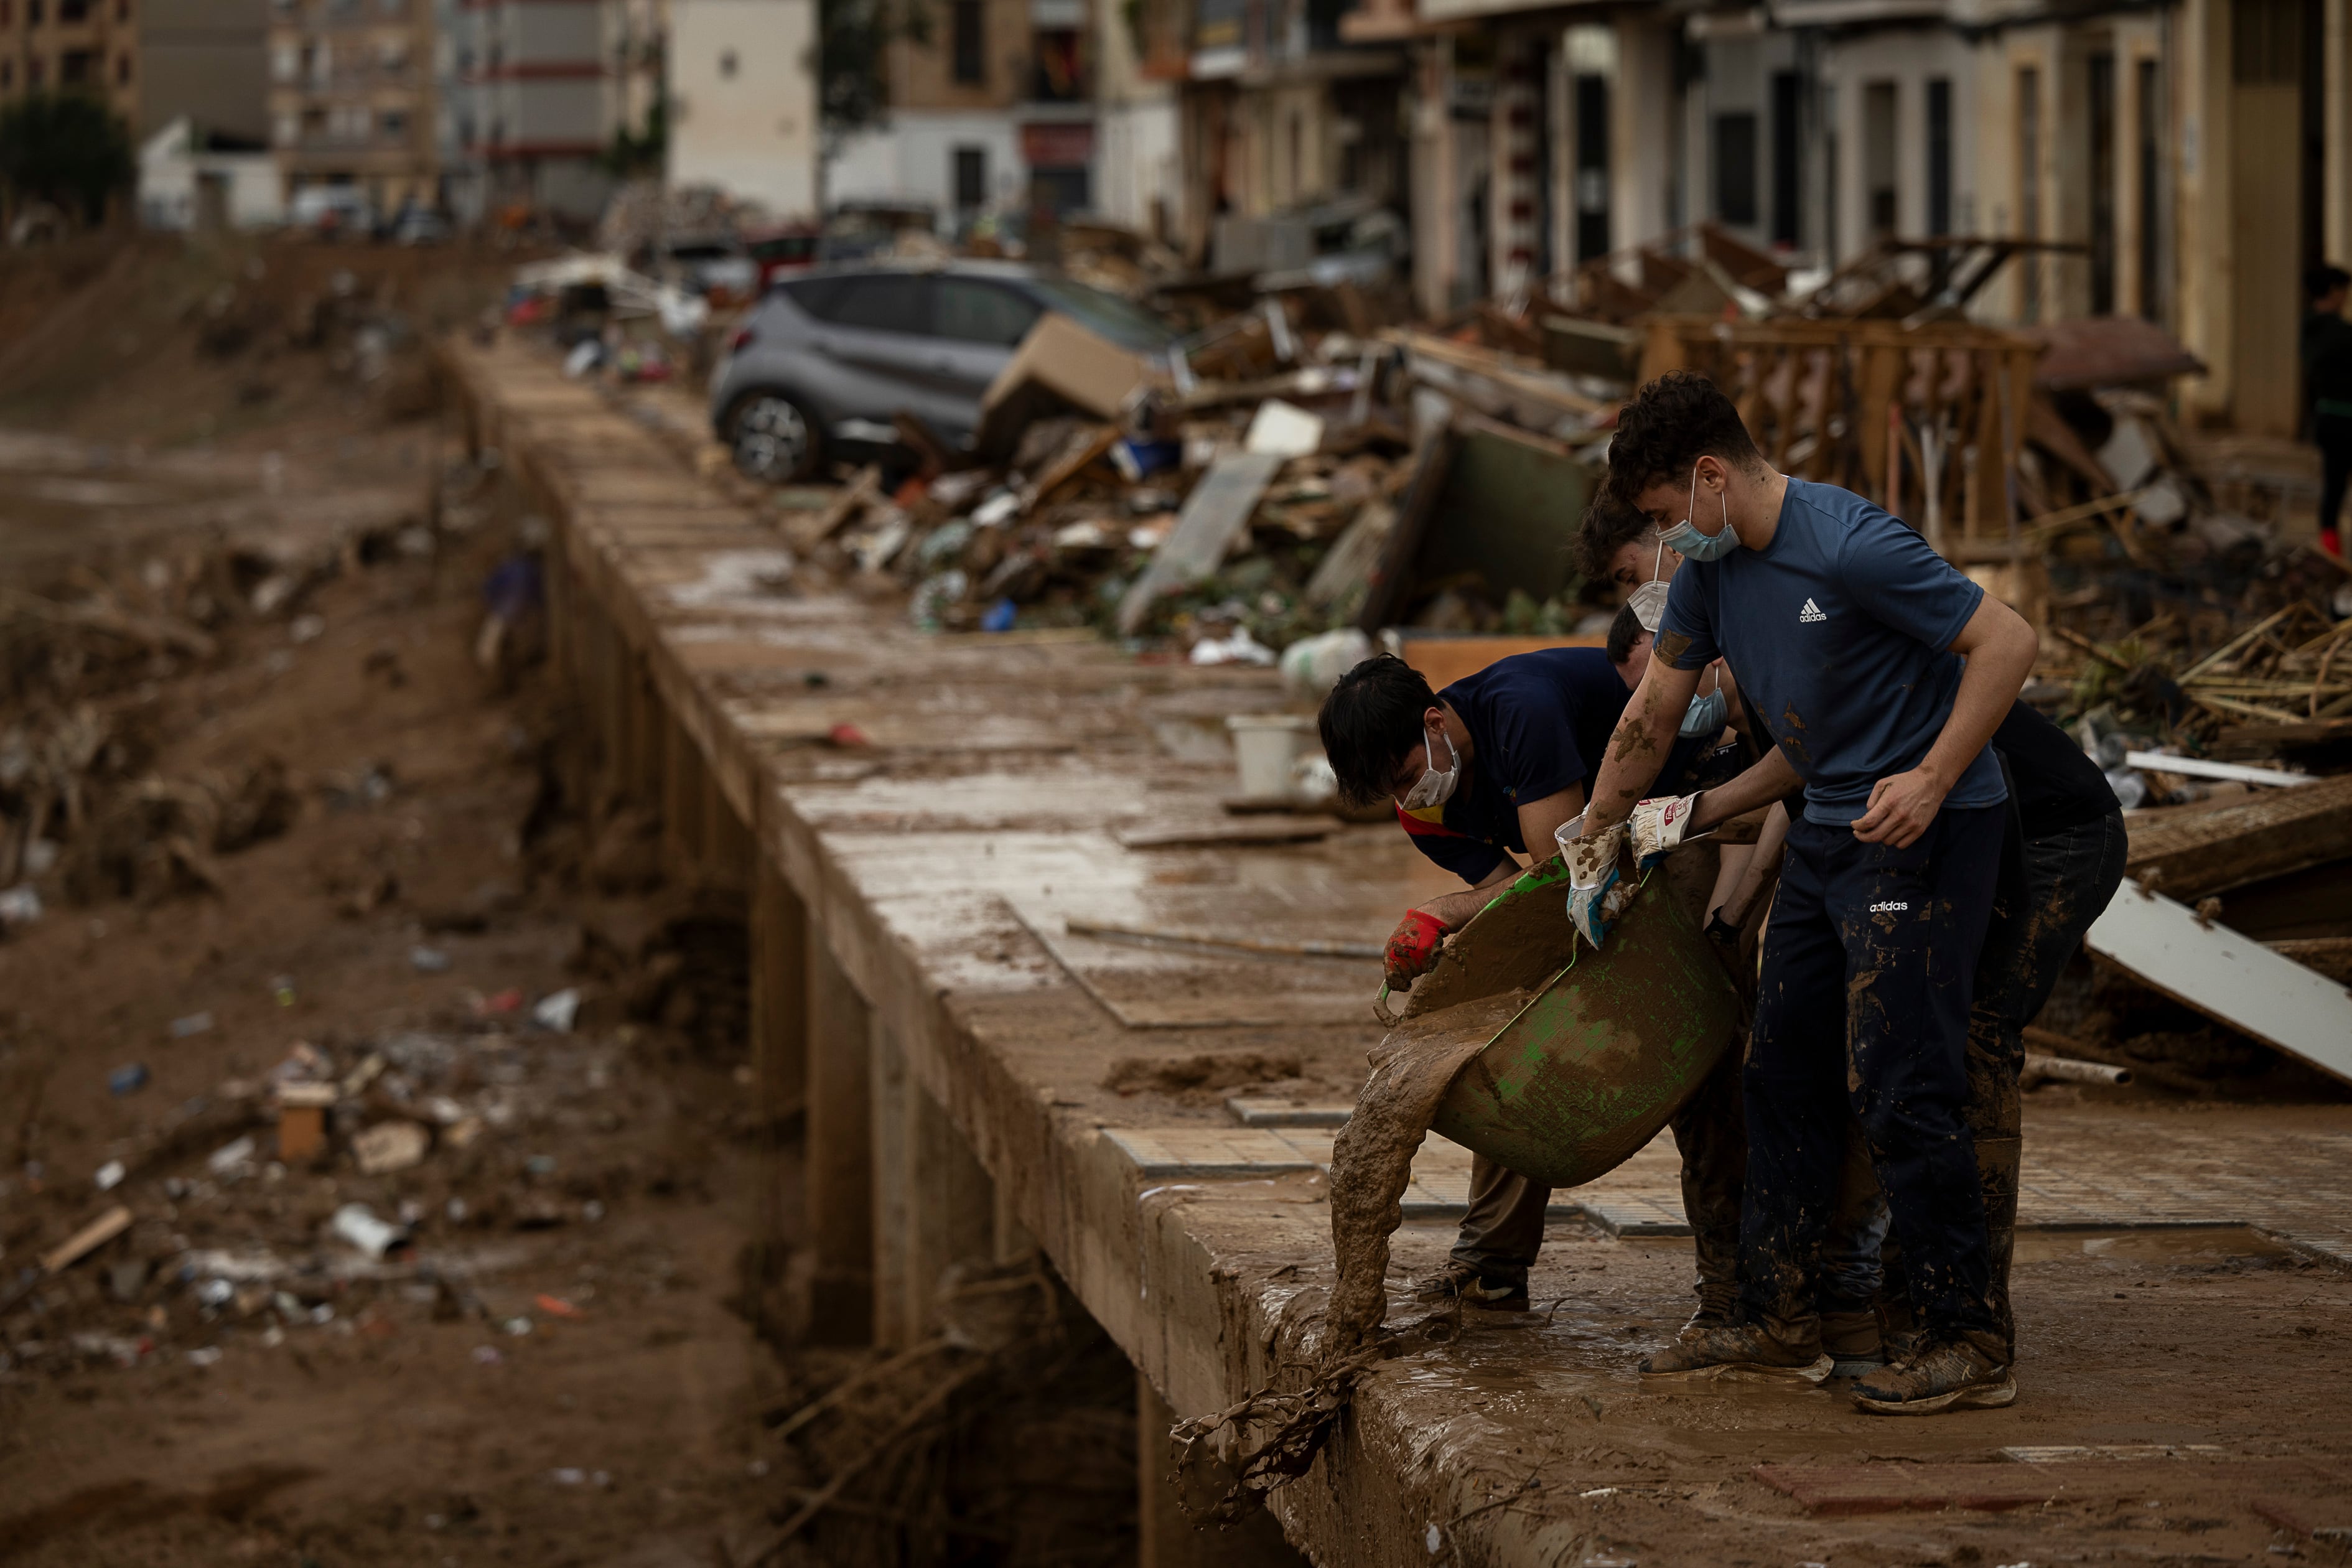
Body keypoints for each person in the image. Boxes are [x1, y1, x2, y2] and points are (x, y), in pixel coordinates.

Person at [1567, 371, 2038, 1416]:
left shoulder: (1850, 542)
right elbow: (1655, 709)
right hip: (1828, 827)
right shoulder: (1709, 572)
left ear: (1708, 476)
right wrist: (1595, 834)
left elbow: (2007, 642)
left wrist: (1932, 776)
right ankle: (1772, 1319)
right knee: (1778, 1063)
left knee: (1901, 1082)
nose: (1662, 539)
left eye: (1660, 515)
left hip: (1925, 835)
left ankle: (1969, 1337)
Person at [1318, 646, 1710, 1309]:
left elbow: (1559, 871)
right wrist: (1450, 949)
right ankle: (1492, 1264)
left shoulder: (1520, 709)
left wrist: (1443, 914)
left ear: (1435, 722)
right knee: (1501, 1031)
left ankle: (1737, 1284)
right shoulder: (1424, 810)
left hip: (1684, 826)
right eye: (1388, 788)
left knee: (1698, 1051)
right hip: (1592, 870)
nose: (1406, 794)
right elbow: (1520, 919)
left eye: (1407, 772)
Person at [2301, 263, 2352, 559]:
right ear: (2334, 293)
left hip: (2326, 420)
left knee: (2333, 490)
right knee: (2334, 490)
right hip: (2345, 421)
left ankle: (2332, 555)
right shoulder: (2340, 334)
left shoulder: (2309, 330)